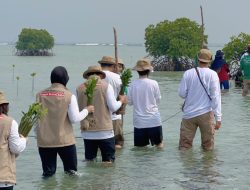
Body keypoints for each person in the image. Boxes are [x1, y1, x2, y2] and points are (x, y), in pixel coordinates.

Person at [36, 66, 94, 177]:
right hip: (65, 141)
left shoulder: (39, 95)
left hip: (45, 141)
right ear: (65, 79)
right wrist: (87, 110)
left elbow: (36, 119)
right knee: (71, 173)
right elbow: (74, 118)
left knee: (48, 175)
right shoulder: (69, 95)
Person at [76, 65, 127, 163]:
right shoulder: (106, 86)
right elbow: (113, 107)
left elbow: (79, 109)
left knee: (90, 162)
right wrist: (121, 101)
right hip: (105, 132)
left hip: (87, 132)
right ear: (100, 75)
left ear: (87, 75)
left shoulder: (79, 88)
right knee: (108, 162)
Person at [178, 49, 222, 151]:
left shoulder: (188, 73)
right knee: (208, 148)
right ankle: (206, 166)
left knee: (184, 147)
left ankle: (187, 166)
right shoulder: (213, 74)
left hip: (188, 114)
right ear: (210, 61)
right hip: (206, 114)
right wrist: (218, 118)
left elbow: (182, 94)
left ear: (198, 59)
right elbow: (216, 97)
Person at [127, 59, 163, 148]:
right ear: (149, 71)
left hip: (139, 122)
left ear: (137, 71)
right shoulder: (154, 83)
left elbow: (130, 102)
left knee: (140, 149)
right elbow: (158, 100)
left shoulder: (132, 84)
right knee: (159, 145)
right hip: (154, 120)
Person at [0, 91, 27, 190]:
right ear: (4, 106)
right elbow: (15, 148)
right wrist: (24, 140)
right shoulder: (10, 122)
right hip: (3, 179)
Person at [98, 56, 124, 149]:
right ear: (113, 66)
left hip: (99, 117)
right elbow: (122, 94)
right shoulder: (118, 77)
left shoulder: (95, 77)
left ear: (101, 65)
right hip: (115, 115)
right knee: (117, 144)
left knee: (100, 146)